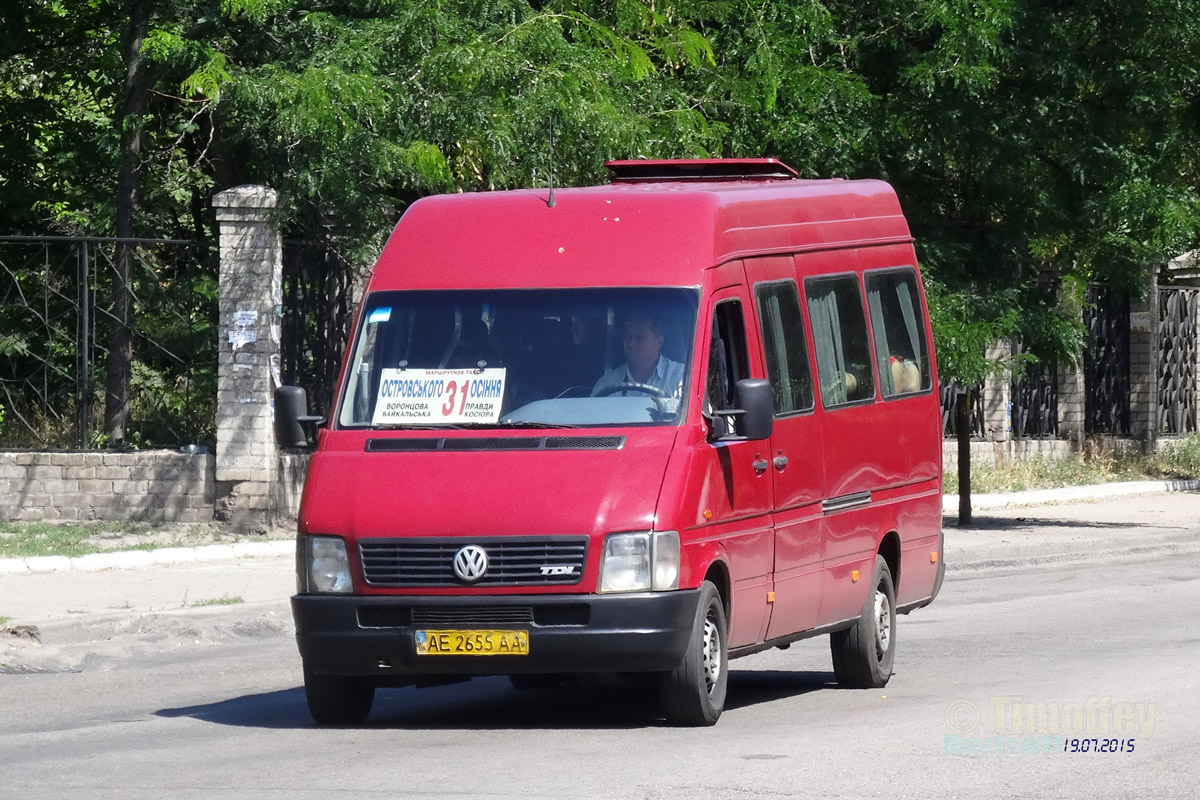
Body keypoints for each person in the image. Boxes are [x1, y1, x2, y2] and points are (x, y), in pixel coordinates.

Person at [591, 313, 684, 398]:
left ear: (659, 341)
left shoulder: (680, 376)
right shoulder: (607, 383)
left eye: (640, 338)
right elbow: (590, 415)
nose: (631, 343)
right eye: (628, 337)